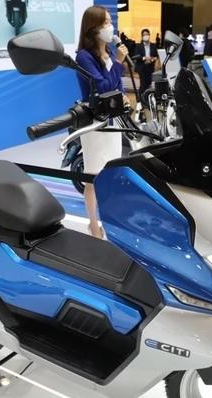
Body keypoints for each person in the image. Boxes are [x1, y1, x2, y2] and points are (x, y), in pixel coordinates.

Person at [75, 6, 128, 239]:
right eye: (105, 22)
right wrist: (117, 63)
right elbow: (103, 87)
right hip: (94, 124)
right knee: (93, 175)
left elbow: (116, 86)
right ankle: (93, 224)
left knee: (110, 173)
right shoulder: (84, 57)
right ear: (93, 28)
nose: (110, 26)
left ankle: (110, 220)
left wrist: (122, 94)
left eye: (109, 21)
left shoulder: (109, 52)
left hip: (112, 120)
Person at [135, 29, 159, 96]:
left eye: (147, 34)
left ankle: (147, 98)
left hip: (150, 67)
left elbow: (156, 55)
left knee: (149, 83)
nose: (145, 36)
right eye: (144, 35)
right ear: (142, 36)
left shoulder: (153, 45)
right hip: (142, 67)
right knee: (143, 84)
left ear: (149, 35)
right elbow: (136, 56)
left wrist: (152, 59)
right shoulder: (138, 46)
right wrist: (144, 58)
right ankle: (140, 98)